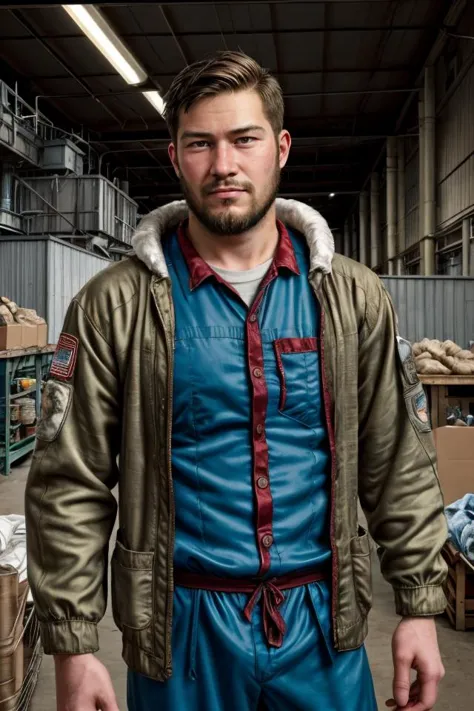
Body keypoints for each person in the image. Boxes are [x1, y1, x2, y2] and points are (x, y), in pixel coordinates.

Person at [25, 51, 447, 711]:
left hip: (321, 628)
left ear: (279, 148)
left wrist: (419, 602)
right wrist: (74, 646)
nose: (224, 165)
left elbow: (398, 461)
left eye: (243, 139)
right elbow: (70, 482)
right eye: (201, 143)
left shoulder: (353, 298)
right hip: (183, 629)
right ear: (175, 156)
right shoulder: (115, 306)